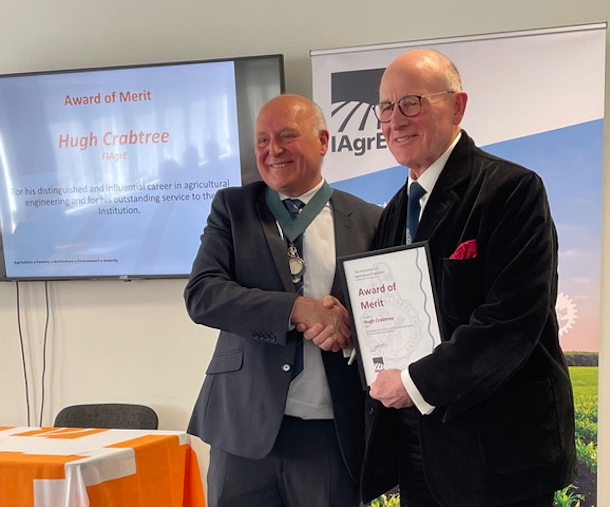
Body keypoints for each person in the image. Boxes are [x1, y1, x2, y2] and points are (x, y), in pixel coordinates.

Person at [358, 48, 577, 507]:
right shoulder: (396, 211)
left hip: (499, 455)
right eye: (385, 107)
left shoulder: (511, 190)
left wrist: (415, 382)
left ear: (457, 106)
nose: (395, 119)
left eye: (411, 102)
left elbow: (511, 319)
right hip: (420, 446)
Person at [185, 94, 382, 507]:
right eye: (262, 140)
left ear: (323, 140)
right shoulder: (233, 209)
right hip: (242, 427)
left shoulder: (370, 219)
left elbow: (385, 313)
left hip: (330, 433)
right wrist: (296, 310)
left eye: (287, 136)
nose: (272, 150)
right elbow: (203, 294)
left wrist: (350, 330)